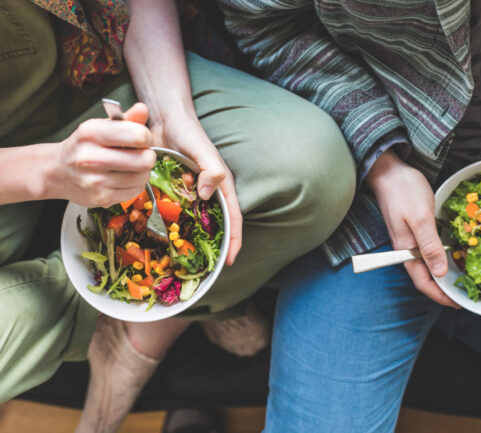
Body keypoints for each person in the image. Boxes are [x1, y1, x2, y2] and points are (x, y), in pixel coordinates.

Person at [214, 0, 481, 432]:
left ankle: (471, 313)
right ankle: (473, 313)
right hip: (371, 197)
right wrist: (383, 164)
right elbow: (263, 19)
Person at [0, 1, 355, 432]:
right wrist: (44, 172)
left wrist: (172, 115)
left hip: (99, 74)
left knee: (312, 170)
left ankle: (134, 327)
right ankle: (126, 328)